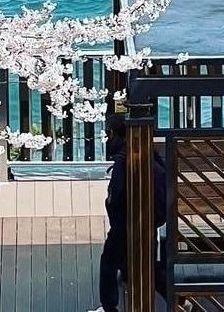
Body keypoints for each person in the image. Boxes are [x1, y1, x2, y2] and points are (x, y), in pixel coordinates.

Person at [88, 113, 167, 312]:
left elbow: (117, 197)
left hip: (126, 225)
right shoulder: (148, 155)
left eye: (108, 134)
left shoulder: (123, 162)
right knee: (149, 267)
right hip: (149, 221)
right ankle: (180, 300)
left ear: (114, 134)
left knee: (108, 263)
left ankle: (109, 308)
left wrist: (112, 211)